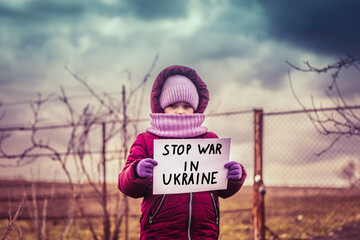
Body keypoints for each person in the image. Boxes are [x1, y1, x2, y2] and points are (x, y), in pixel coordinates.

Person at [118, 65, 247, 240]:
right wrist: (136, 171)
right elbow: (125, 185)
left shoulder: (209, 139)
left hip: (204, 233)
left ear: (196, 108)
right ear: (161, 107)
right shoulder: (146, 140)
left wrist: (234, 177)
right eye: (173, 105)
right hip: (160, 233)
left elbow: (222, 189)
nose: (180, 111)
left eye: (187, 106)